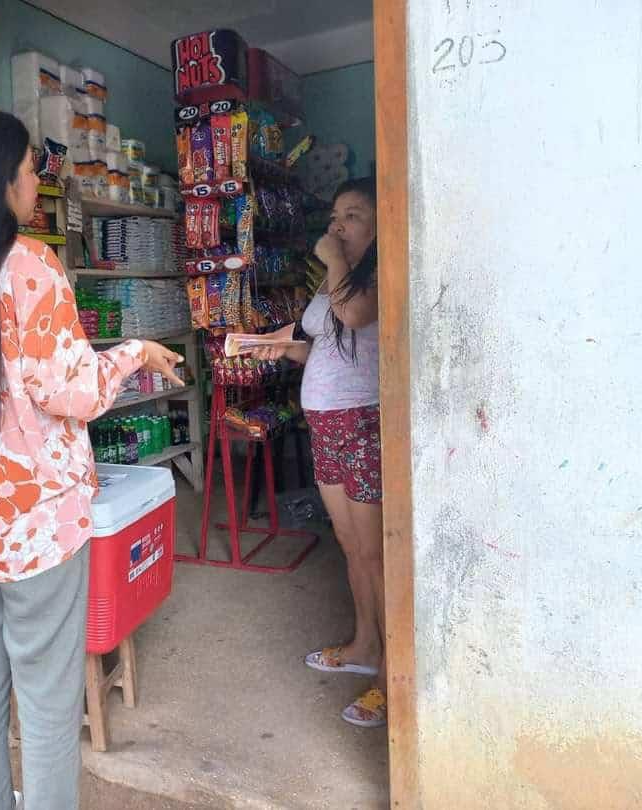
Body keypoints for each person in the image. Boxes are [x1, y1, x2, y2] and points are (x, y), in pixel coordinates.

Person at [0, 107, 185, 810]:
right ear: (1, 180)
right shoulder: (30, 265)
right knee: (49, 699)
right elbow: (72, 391)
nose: (38, 181)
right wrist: (134, 352)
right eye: (32, 168)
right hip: (29, 525)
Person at [253, 177, 386, 728]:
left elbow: (355, 318)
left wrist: (334, 260)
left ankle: (392, 675)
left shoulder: (378, 276)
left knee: (378, 553)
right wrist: (290, 348)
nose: (338, 224)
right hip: (328, 426)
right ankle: (364, 646)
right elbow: (330, 349)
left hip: (363, 425)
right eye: (336, 214)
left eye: (353, 215)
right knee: (353, 548)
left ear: (380, 227)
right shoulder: (334, 285)